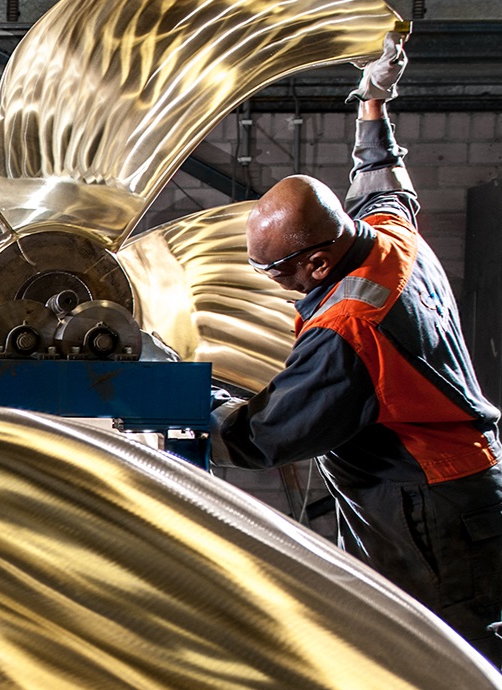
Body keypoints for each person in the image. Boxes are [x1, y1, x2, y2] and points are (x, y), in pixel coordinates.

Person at [211, 34, 502, 664]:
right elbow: (383, 181)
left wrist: (193, 399)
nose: (273, 287)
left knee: (437, 661)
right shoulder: (391, 237)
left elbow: (264, 438)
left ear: (317, 261)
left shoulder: (351, 326)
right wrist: (372, 102)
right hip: (459, 487)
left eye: (275, 274)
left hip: (429, 506)